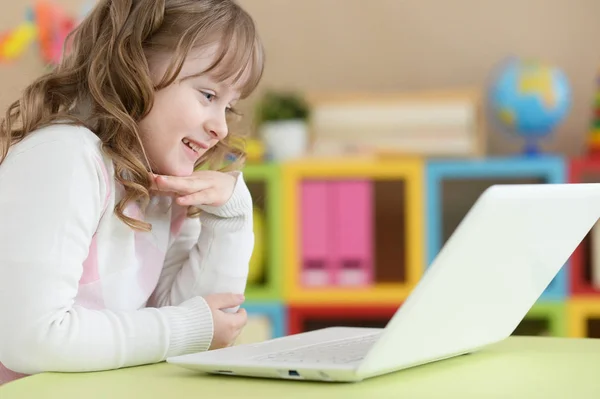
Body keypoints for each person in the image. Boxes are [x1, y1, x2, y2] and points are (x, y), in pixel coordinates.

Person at [0, 0, 264, 385]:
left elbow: (201, 331)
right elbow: (30, 340)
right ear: (134, 66)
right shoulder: (64, 158)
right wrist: (185, 328)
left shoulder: (155, 185)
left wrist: (231, 218)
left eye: (229, 107)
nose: (221, 127)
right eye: (208, 95)